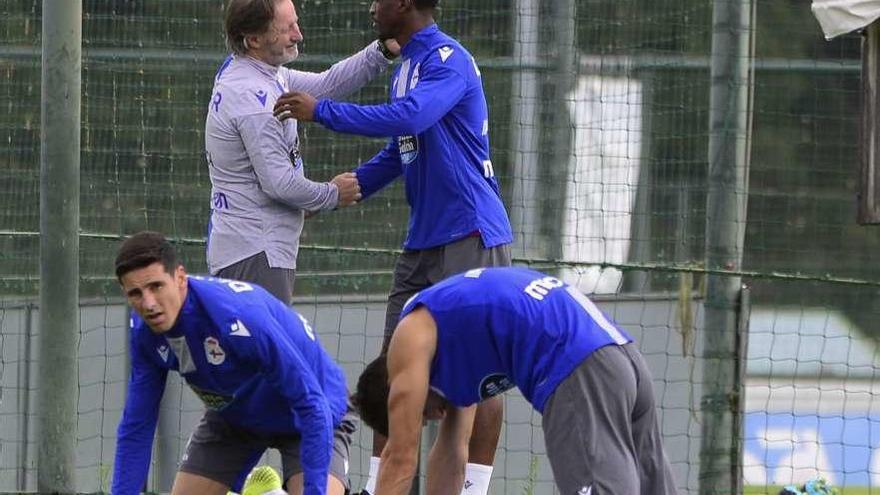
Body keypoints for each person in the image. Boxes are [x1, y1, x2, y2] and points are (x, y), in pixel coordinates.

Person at [273, 1, 513, 492]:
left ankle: (473, 486)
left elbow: (413, 114)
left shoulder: (448, 58)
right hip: (422, 240)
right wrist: (343, 191)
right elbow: (404, 146)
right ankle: (379, 485)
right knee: (393, 370)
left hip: (470, 234)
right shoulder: (406, 65)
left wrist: (324, 111)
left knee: (478, 371)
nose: (371, 5)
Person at [353, 267, 679, 495]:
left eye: (421, 415)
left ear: (397, 391)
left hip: (578, 370)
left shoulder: (409, 336)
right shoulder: (453, 346)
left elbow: (401, 458)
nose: (434, 417)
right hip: (621, 357)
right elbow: (453, 450)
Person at [111, 231, 357, 495]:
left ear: (180, 278)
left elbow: (311, 404)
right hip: (233, 416)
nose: (148, 304)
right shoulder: (144, 332)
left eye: (156, 286)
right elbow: (138, 423)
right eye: (135, 293)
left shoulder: (238, 316)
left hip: (309, 412)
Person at [205, 0, 400, 305]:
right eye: (287, 29)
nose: (299, 34)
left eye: (296, 23)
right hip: (257, 252)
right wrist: (332, 194)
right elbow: (279, 183)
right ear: (254, 40)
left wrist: (381, 52)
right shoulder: (253, 100)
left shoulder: (255, 71)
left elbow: (325, 85)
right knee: (265, 351)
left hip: (255, 249)